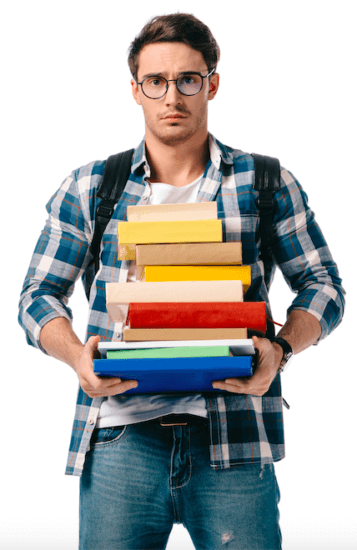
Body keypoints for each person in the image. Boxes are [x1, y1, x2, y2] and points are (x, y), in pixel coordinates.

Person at [18, 12, 345, 550]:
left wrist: (280, 350)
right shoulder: (92, 186)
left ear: (212, 83)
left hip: (234, 437)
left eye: (188, 79)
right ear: (136, 90)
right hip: (121, 437)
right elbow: (36, 296)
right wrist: (78, 356)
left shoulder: (265, 182)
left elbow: (323, 285)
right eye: (156, 81)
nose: (172, 96)